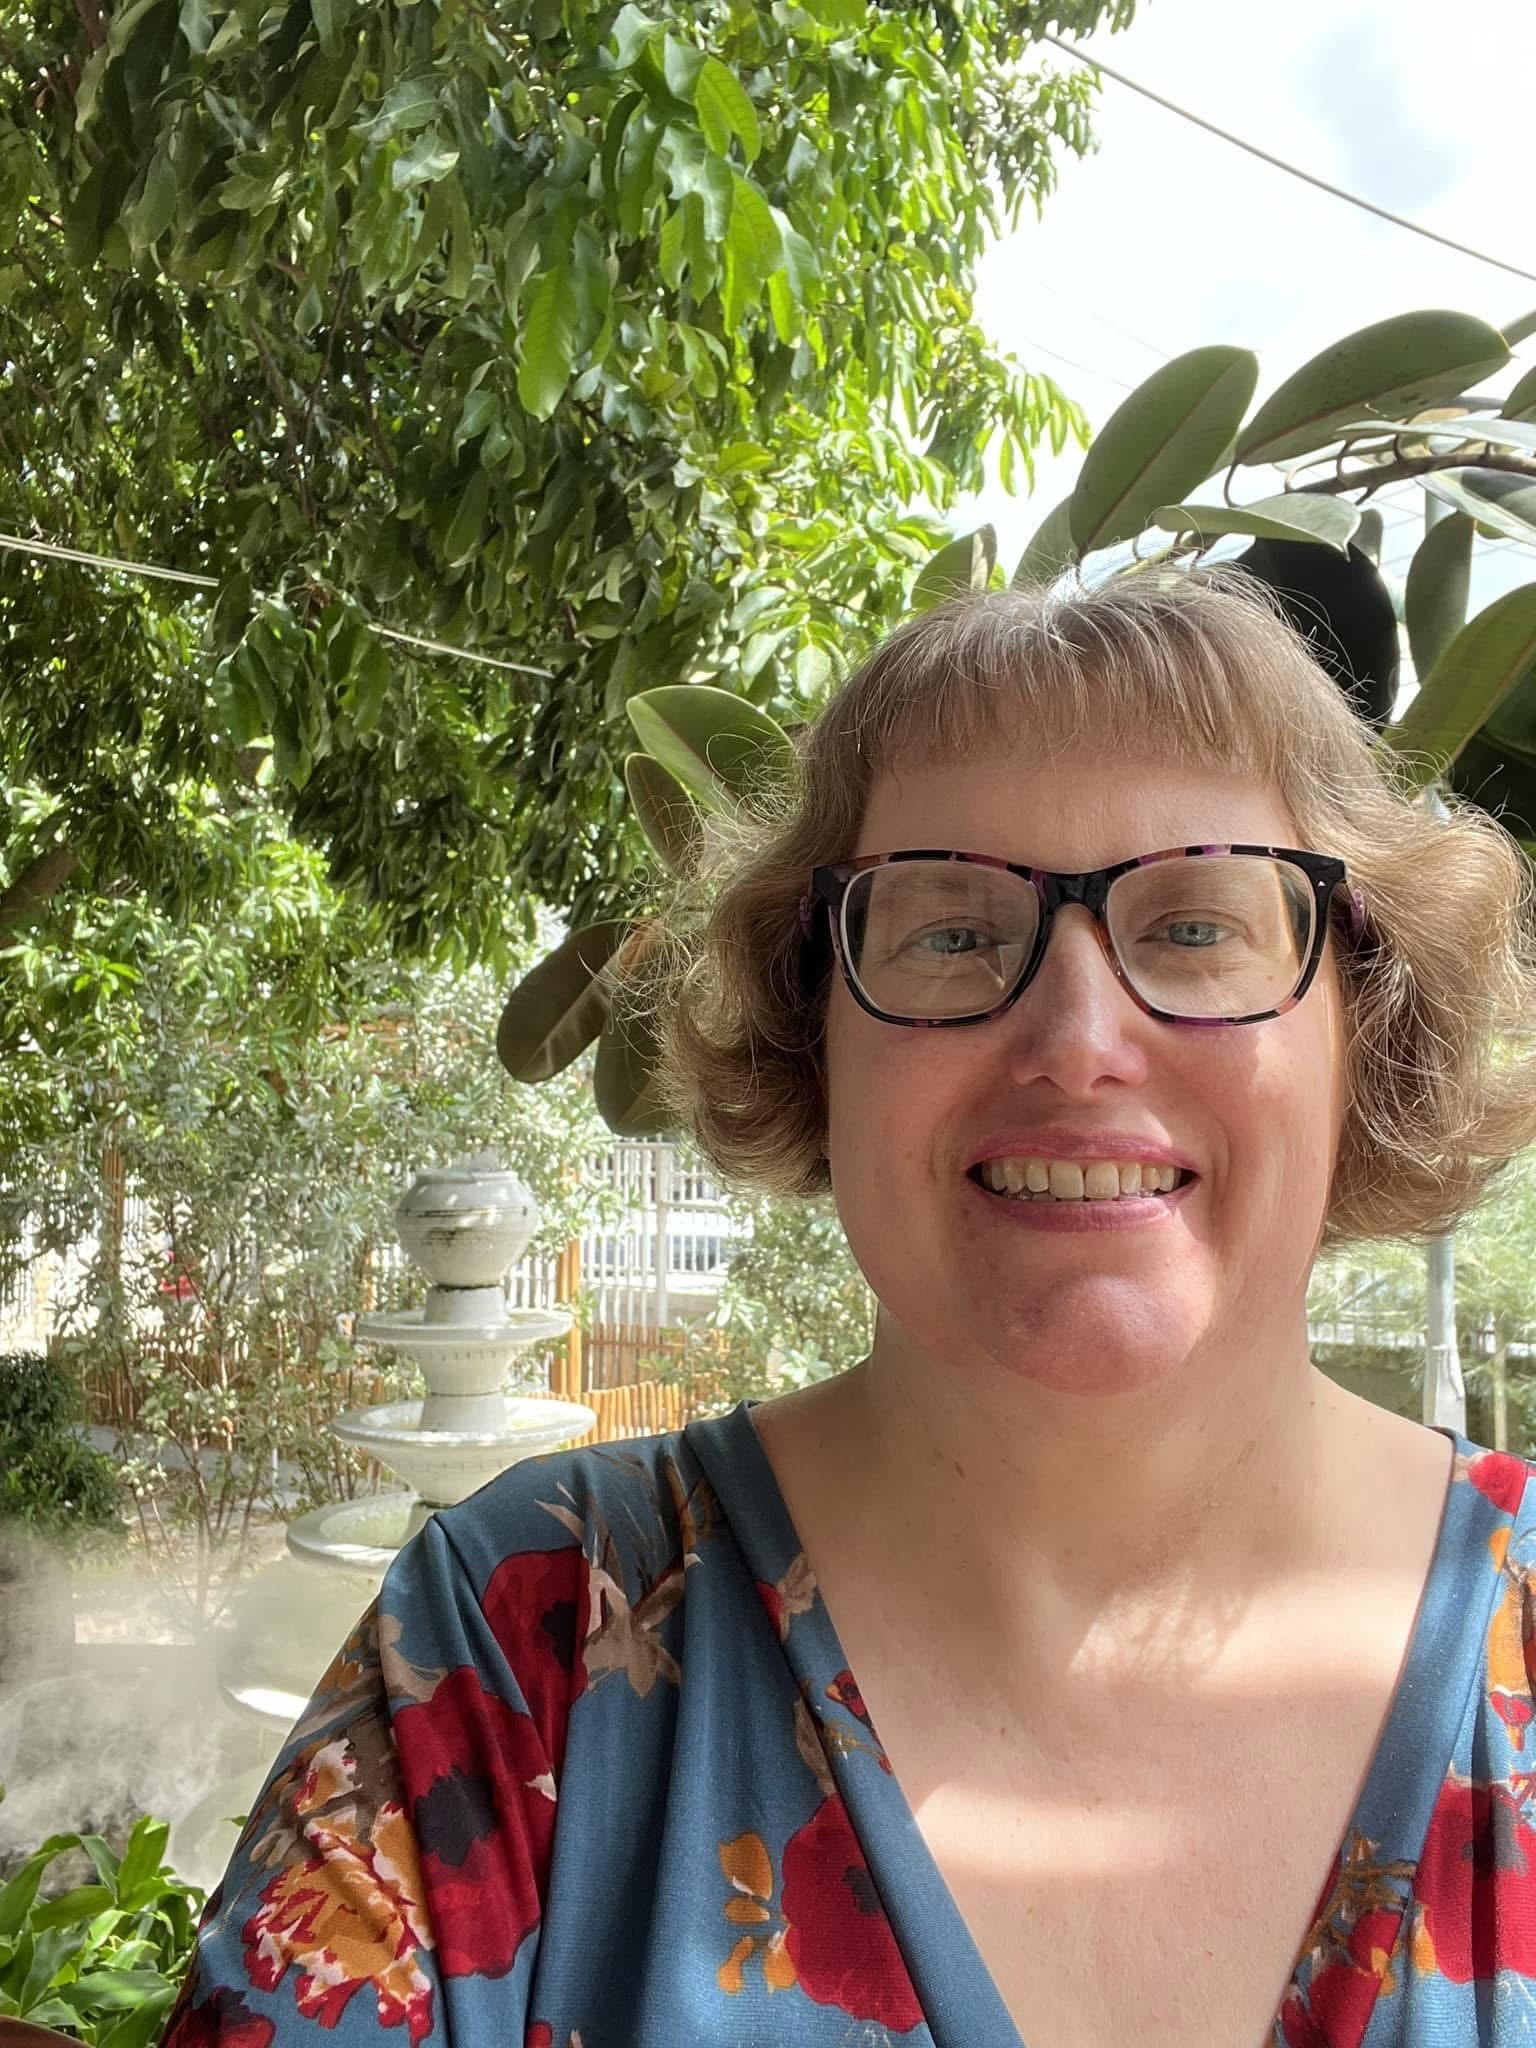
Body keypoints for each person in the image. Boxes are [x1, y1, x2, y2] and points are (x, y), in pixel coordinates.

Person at [164, 572, 1536, 2048]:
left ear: (1365, 1026)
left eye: (1198, 927)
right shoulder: (516, 1643)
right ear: (811, 1039)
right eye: (949, 933)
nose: (1078, 1041)